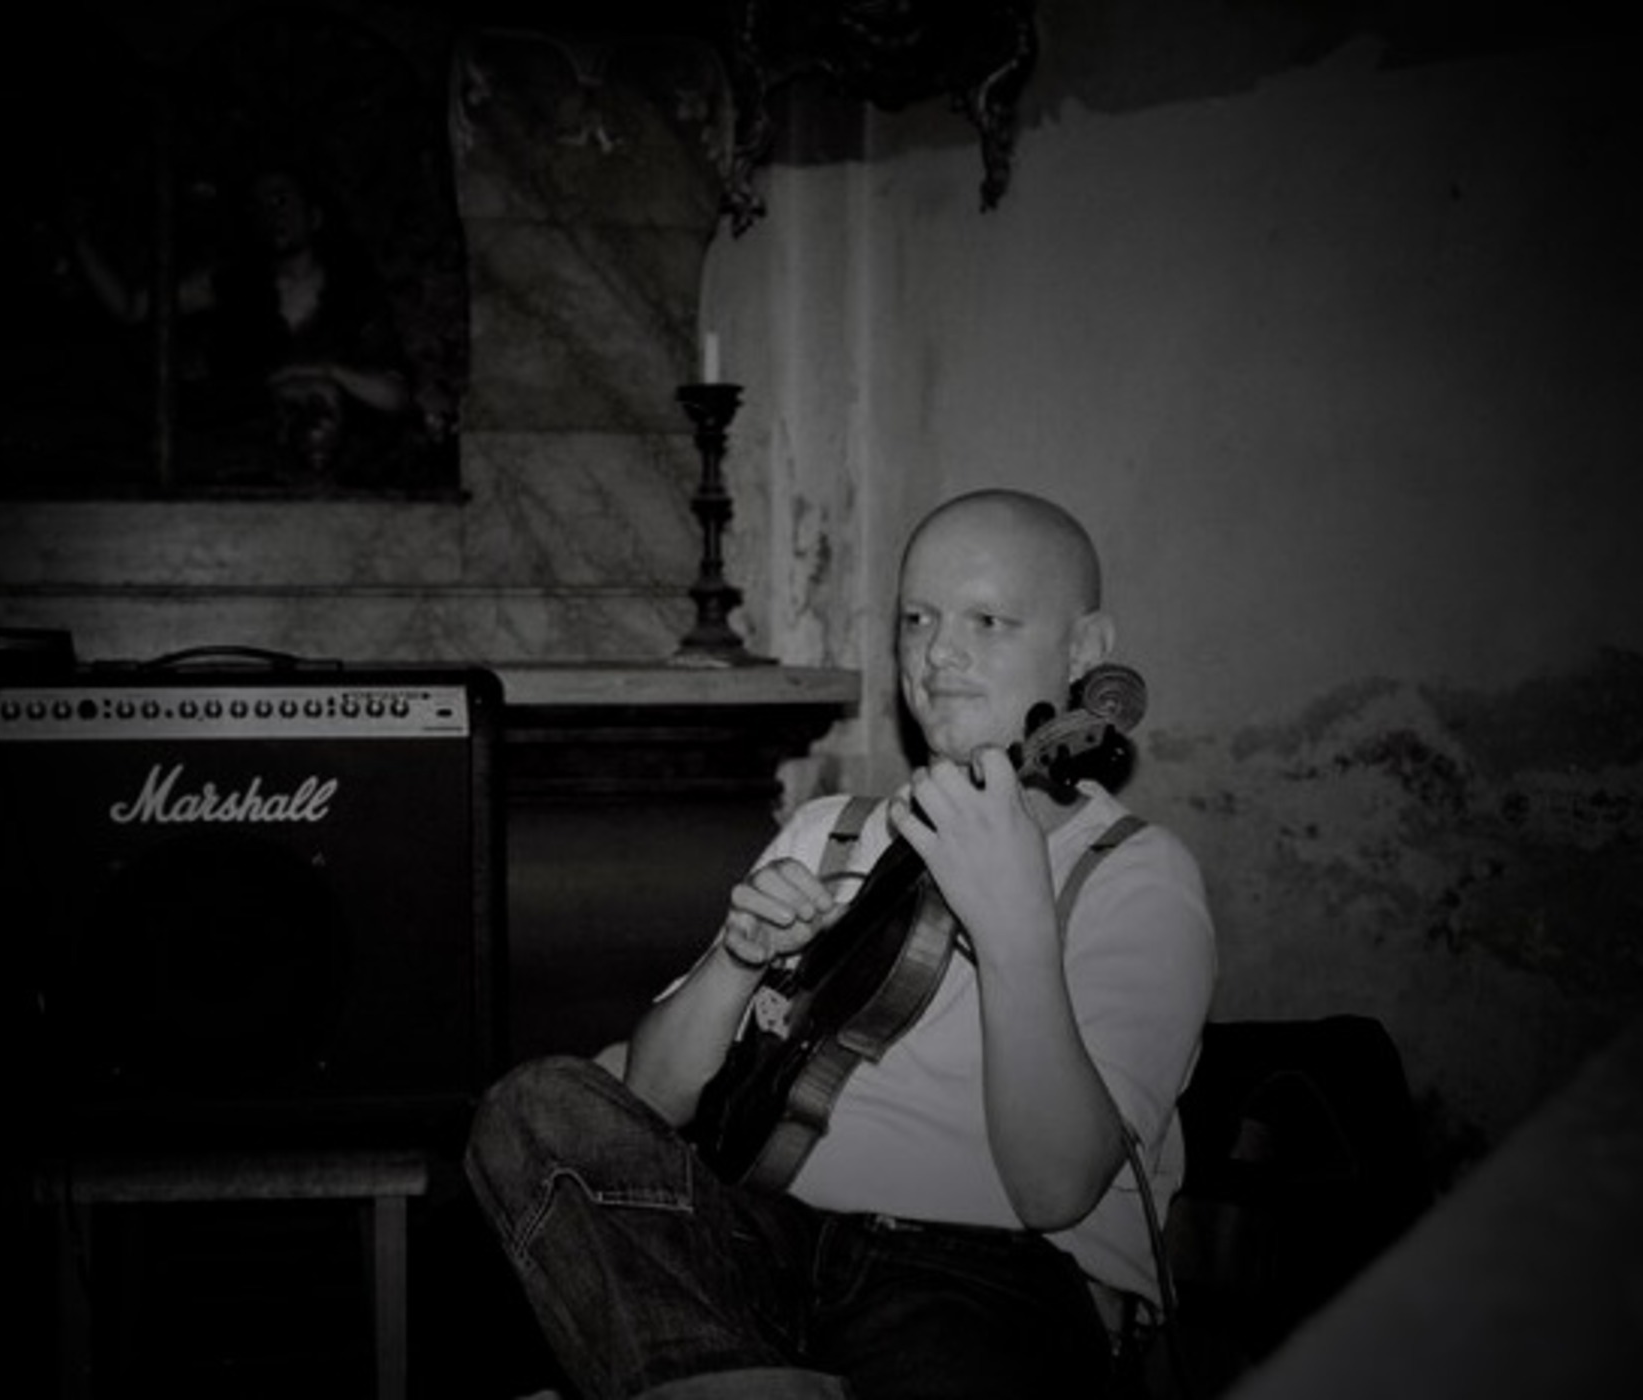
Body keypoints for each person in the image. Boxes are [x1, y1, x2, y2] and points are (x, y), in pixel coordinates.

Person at [465, 488, 1218, 1400]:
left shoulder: (1134, 876)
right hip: (769, 1248)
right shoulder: (829, 831)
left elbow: (1057, 1189)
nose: (937, 653)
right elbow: (648, 1098)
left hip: (989, 1285)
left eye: (987, 621)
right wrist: (738, 958)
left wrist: (1017, 928)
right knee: (535, 1106)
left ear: (1085, 649)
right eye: (916, 619)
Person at [68, 165, 415, 484]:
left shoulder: (351, 294)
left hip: (337, 473)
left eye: (282, 200)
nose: (273, 214)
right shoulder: (233, 286)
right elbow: (133, 308)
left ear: (314, 216)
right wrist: (78, 238)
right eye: (260, 205)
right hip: (242, 463)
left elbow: (395, 395)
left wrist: (325, 372)